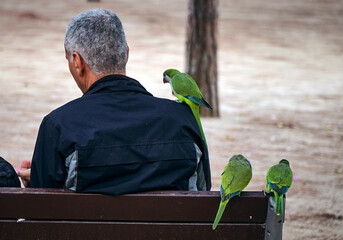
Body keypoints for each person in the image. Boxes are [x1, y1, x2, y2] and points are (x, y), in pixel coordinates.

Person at [16, 9, 211, 195]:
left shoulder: (58, 126)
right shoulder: (183, 120)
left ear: (77, 61)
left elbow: (43, 208)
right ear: (126, 54)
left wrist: (36, 182)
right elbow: (203, 190)